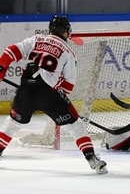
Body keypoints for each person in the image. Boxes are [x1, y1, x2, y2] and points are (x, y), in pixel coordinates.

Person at [0, 16, 107, 174]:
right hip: (49, 93)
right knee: (76, 125)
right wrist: (59, 97)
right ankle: (92, 158)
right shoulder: (68, 51)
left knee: (12, 124)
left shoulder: (36, 39)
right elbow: (68, 86)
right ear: (65, 32)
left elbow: (11, 51)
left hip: (25, 90)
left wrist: (1, 67)